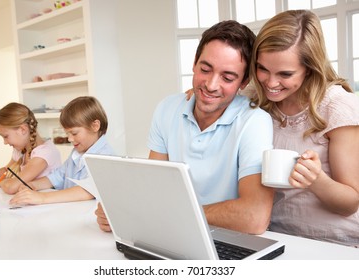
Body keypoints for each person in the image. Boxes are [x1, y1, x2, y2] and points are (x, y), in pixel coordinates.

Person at [96, 20, 275, 234]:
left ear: (244, 82)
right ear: (194, 63)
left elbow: (253, 217)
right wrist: (120, 207)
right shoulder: (167, 108)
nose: (210, 85)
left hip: (227, 237)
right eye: (205, 69)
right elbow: (154, 185)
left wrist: (171, 214)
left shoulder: (255, 121)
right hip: (172, 230)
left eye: (227, 77)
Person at [248, 10, 359, 247]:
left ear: (309, 68)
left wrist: (316, 179)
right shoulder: (257, 98)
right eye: (262, 68)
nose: (270, 82)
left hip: (334, 244)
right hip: (275, 238)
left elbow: (351, 202)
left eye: (285, 74)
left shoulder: (337, 106)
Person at [9, 96, 115, 205]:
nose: (70, 139)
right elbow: (57, 176)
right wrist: (33, 185)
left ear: (95, 126)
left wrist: (42, 198)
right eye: (67, 134)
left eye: (74, 133)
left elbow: (86, 191)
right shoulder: (77, 152)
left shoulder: (105, 156)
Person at [0, 102, 62, 194]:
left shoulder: (44, 153)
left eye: (5, 136)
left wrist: (0, 183)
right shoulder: (21, 150)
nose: (4, 142)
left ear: (23, 130)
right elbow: (7, 171)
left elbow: (12, 187)